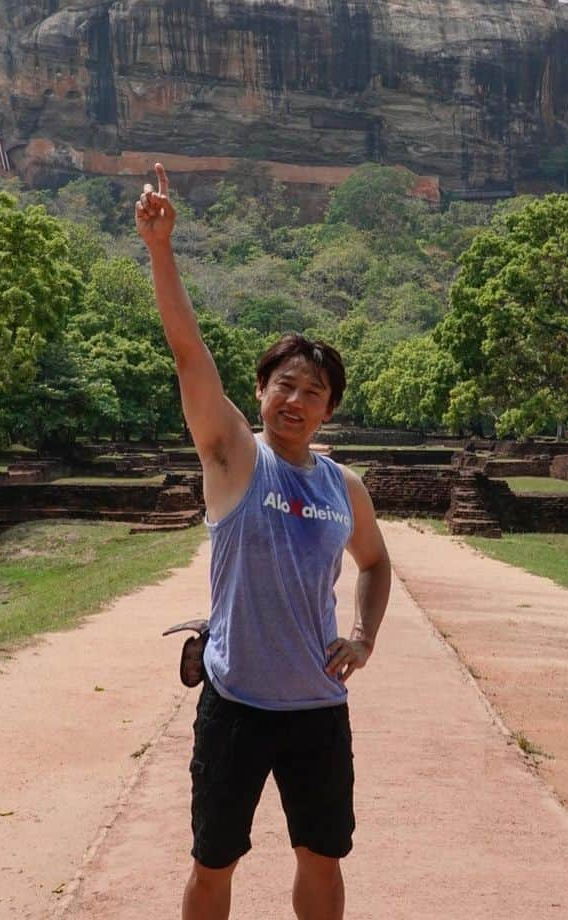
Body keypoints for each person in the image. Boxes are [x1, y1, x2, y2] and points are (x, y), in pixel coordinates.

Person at [135, 164, 392, 920]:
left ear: (329, 409)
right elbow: (189, 357)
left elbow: (375, 563)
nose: (297, 399)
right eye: (285, 383)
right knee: (213, 863)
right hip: (236, 702)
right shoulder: (235, 458)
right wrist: (160, 249)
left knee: (322, 855)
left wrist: (362, 637)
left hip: (317, 706)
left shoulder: (345, 487)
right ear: (260, 391)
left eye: (314, 391)